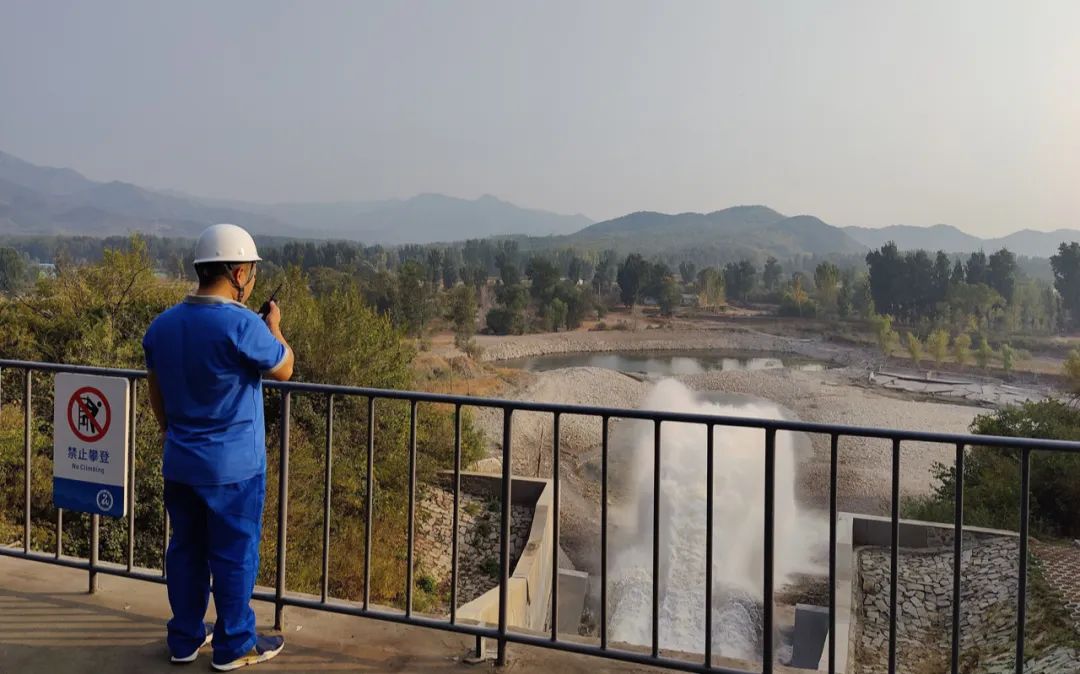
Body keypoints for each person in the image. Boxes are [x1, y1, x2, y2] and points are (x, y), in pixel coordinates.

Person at [142, 223, 294, 670]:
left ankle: (185, 638)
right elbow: (285, 367)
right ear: (238, 272)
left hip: (180, 461)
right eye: (249, 271)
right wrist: (275, 327)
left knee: (186, 549)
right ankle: (234, 645)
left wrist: (172, 431)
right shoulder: (242, 323)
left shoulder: (163, 326)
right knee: (234, 554)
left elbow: (157, 395)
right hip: (234, 469)